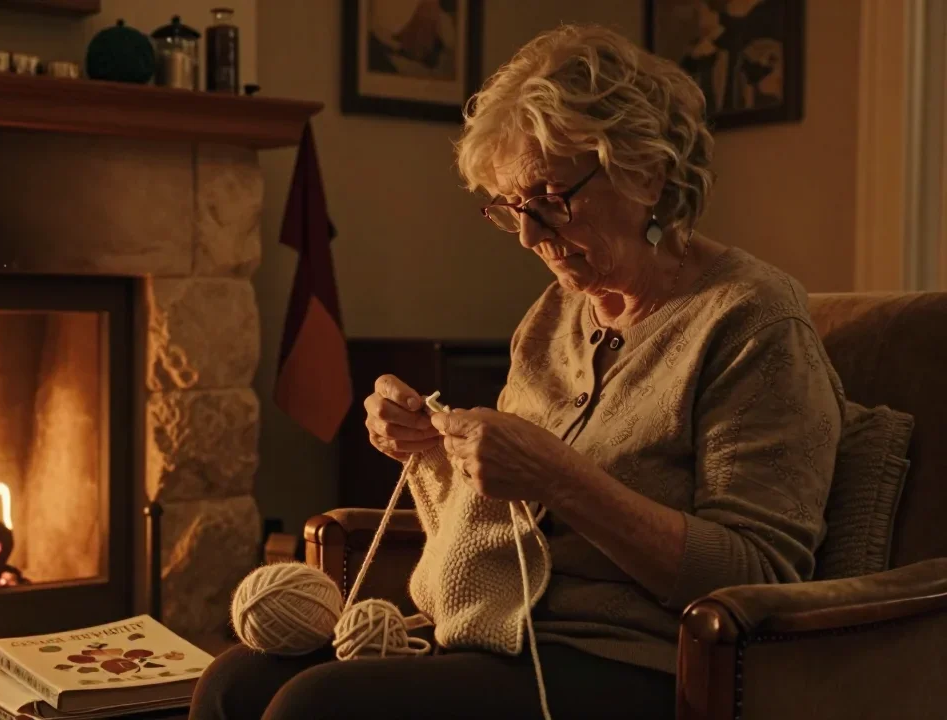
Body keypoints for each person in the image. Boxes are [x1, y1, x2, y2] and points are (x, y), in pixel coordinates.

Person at [190, 22, 843, 720]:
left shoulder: (752, 320)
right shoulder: (552, 319)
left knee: (315, 707)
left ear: (646, 173)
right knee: (235, 683)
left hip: (633, 662)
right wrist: (431, 451)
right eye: (509, 210)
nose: (530, 236)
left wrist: (557, 476)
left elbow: (758, 578)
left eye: (549, 201)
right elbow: (497, 520)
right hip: (493, 631)